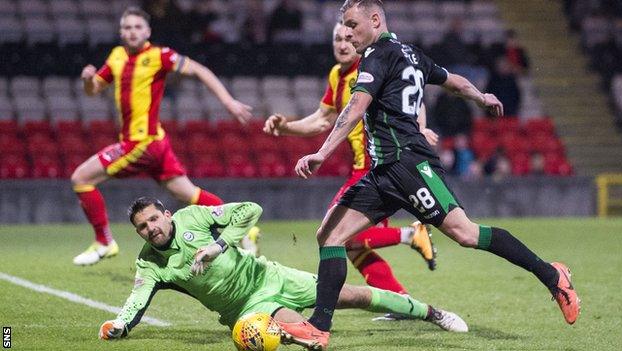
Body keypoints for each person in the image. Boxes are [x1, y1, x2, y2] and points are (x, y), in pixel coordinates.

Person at [286, 1, 580, 349]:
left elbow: (355, 109)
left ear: (375, 20)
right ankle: (319, 327)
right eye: (344, 26)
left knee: (466, 234)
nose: (348, 33)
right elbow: (452, 80)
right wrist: (480, 96)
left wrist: (321, 152)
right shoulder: (410, 53)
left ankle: (552, 274)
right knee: (330, 236)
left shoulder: (378, 55)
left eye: (352, 24)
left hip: (409, 166)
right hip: (383, 171)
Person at [98, 197, 468, 344]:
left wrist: (220, 244)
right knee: (307, 335)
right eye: (142, 228)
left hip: (271, 276)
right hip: (246, 309)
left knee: (353, 295)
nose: (151, 229)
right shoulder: (150, 263)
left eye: (153, 220)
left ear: (165, 214)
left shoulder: (193, 216)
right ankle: (300, 335)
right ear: (138, 233)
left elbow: (250, 209)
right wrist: (121, 325)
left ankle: (432, 313)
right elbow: (137, 298)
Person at [263, 23, 438, 311]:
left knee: (337, 236)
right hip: (360, 167)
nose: (343, 44)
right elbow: (322, 120)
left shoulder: (374, 63)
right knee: (349, 244)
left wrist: (420, 126)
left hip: (379, 164)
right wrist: (285, 128)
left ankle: (410, 235)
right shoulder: (337, 75)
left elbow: (411, 86)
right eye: (337, 39)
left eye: (348, 37)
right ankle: (401, 301)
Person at [72, 7, 253, 266]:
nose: (132, 32)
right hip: (157, 143)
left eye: (137, 27)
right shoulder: (116, 56)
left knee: (81, 178)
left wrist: (229, 101)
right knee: (189, 194)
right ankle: (244, 226)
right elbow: (93, 90)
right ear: (121, 32)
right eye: (127, 28)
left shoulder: (159, 55)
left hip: (142, 142)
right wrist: (88, 80)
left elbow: (200, 70)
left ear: (147, 31)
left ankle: (104, 241)